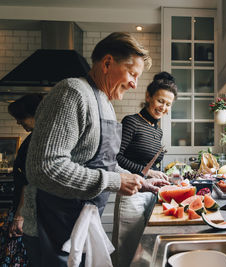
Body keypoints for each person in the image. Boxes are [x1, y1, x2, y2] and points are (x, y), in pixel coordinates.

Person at [25, 32, 169, 266]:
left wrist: (138, 179)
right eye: (132, 74)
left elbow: (105, 163)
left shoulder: (105, 103)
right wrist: (115, 181)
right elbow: (44, 167)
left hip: (79, 223)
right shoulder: (72, 92)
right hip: (51, 226)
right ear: (108, 63)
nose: (134, 83)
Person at [113, 72, 177, 267]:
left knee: (144, 251)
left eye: (168, 104)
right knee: (126, 250)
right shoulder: (131, 122)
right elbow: (117, 157)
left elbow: (153, 164)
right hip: (130, 193)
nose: (163, 107)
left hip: (149, 194)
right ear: (148, 97)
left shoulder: (157, 130)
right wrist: (146, 172)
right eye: (160, 101)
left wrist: (162, 174)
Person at [7, 93, 43, 266]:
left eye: (20, 118)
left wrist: (19, 217)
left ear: (33, 114)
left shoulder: (35, 142)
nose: (18, 122)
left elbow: (29, 182)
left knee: (19, 257)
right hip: (33, 212)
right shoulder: (37, 138)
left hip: (28, 213)